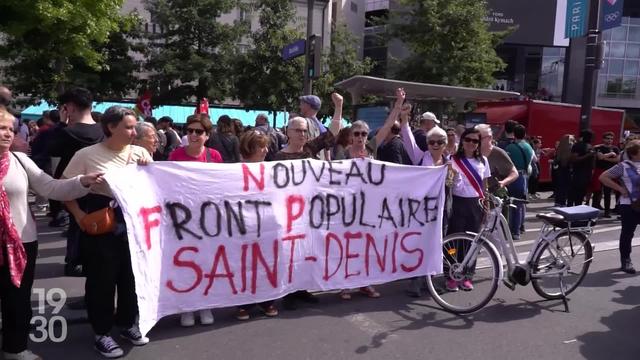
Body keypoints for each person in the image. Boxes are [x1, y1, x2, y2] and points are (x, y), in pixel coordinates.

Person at [0, 108, 102, 360]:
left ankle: (15, 348)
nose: (7, 134)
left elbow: (51, 187)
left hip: (20, 242)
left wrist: (82, 182)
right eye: (1, 128)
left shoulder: (21, 161)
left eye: (10, 130)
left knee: (18, 299)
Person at [63, 106, 153, 358]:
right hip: (102, 222)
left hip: (134, 225)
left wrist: (149, 166)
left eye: (135, 126)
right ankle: (101, 333)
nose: (134, 132)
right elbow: (64, 187)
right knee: (102, 279)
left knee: (131, 278)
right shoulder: (86, 155)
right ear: (111, 127)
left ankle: (127, 323)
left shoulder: (140, 152)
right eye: (128, 126)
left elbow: (153, 189)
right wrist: (80, 216)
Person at [332, 88, 406, 300]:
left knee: (368, 246)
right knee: (348, 245)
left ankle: (365, 283)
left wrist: (398, 105)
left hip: (370, 207)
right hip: (348, 207)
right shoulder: (343, 153)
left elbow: (386, 127)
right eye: (357, 134)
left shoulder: (373, 147)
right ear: (351, 136)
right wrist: (339, 107)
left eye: (364, 134)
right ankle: (345, 284)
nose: (361, 137)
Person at [275, 92, 343, 309]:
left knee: (306, 250)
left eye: (305, 131)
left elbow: (331, 135)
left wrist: (339, 107)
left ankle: (302, 288)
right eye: (298, 130)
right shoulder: (278, 158)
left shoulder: (309, 151)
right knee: (289, 253)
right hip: (287, 214)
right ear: (288, 132)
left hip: (308, 212)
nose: (302, 134)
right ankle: (289, 292)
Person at [168, 114, 221, 326]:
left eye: (198, 132)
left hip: (206, 219)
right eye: (189, 130)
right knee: (185, 263)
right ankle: (186, 307)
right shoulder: (176, 155)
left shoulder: (214, 156)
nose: (192, 135)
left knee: (206, 262)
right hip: (182, 219)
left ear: (207, 135)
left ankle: (204, 304)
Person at [48, 88, 105, 276]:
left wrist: (61, 124)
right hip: (99, 184)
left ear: (69, 107)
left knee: (76, 223)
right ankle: (91, 262)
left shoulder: (66, 132)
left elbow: (49, 149)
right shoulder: (103, 131)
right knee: (96, 224)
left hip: (71, 184)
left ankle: (73, 261)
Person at [234, 130, 279, 320]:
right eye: (261, 146)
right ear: (250, 148)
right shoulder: (234, 171)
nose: (266, 150)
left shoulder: (270, 170)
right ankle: (243, 303)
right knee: (244, 263)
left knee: (265, 262)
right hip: (242, 225)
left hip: (266, 225)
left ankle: (266, 300)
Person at [448, 128, 491, 291]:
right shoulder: (452, 159)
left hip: (476, 204)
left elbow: (485, 186)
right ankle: (452, 276)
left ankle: (467, 276)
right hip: (458, 203)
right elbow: (448, 183)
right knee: (454, 241)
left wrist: (486, 206)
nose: (471, 143)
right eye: (468, 140)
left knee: (472, 242)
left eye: (475, 141)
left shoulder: (483, 161)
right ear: (462, 141)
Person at [599, 140, 640, 274]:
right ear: (634, 153)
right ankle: (626, 260)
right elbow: (603, 177)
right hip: (629, 205)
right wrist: (620, 189)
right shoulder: (623, 166)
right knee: (627, 234)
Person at [504, 124, 534, 240]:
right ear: (525, 134)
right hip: (524, 177)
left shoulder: (510, 147)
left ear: (513, 134)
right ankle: (520, 228)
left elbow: (506, 162)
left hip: (514, 176)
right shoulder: (528, 147)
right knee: (520, 204)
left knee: (513, 205)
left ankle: (514, 230)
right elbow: (534, 160)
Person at [590, 131, 619, 217]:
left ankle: (607, 212)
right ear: (603, 139)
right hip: (599, 171)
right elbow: (599, 157)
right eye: (607, 138)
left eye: (611, 139)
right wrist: (610, 154)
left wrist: (604, 157)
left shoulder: (615, 148)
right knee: (597, 191)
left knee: (607, 192)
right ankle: (593, 211)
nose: (609, 140)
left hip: (610, 172)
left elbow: (616, 160)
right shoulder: (598, 147)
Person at [298, 94, 329, 160]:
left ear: (308, 106)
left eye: (302, 104)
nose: (300, 106)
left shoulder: (303, 124)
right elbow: (327, 153)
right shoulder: (322, 128)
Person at [569, 129, 595, 206]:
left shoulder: (589, 146)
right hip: (579, 173)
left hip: (586, 173)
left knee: (579, 194)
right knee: (575, 193)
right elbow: (574, 159)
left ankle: (576, 209)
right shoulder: (578, 145)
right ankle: (572, 209)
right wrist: (588, 155)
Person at [552, 135, 575, 207]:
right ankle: (563, 202)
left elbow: (556, 160)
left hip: (559, 170)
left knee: (560, 186)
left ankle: (558, 202)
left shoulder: (559, 149)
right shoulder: (570, 149)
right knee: (566, 187)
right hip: (567, 169)